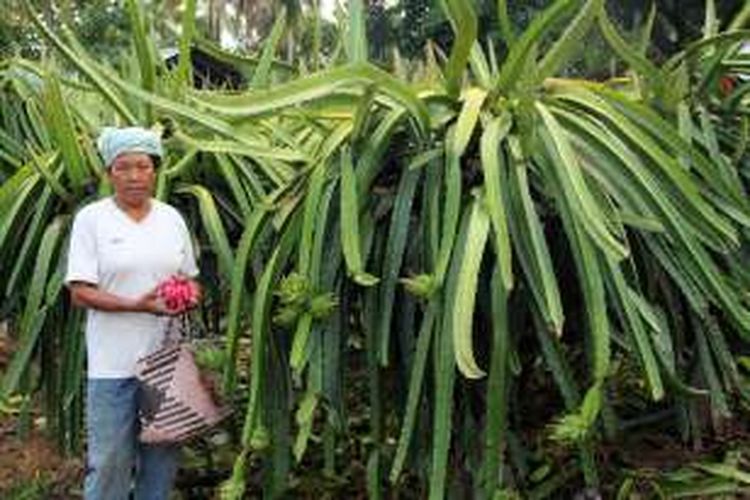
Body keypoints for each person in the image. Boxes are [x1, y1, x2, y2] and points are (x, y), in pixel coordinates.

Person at [65, 126, 200, 500]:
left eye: (143, 166)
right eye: (123, 167)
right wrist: (137, 305)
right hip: (112, 365)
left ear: (155, 170)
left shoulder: (172, 219)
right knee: (109, 461)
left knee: (162, 458)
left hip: (167, 359)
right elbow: (79, 292)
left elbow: (190, 279)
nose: (134, 176)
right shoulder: (92, 220)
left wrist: (187, 296)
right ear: (109, 173)